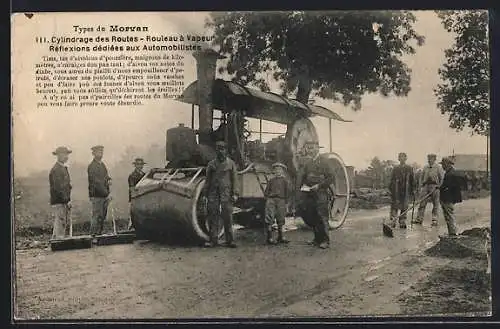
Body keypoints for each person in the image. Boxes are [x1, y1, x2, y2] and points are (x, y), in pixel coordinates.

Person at [296, 141, 336, 249]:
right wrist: (303, 186)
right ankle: (316, 239)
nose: (310, 150)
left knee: (322, 217)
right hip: (309, 193)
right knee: (313, 216)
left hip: (321, 193)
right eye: (308, 148)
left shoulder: (324, 161)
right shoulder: (308, 163)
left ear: (317, 148)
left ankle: (325, 241)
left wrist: (319, 186)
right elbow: (304, 177)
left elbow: (331, 177)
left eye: (312, 148)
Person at [204, 140, 239, 248]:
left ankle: (230, 241)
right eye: (218, 149)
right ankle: (213, 240)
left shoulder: (231, 164)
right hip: (213, 193)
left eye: (222, 149)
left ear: (226, 151)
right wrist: (205, 195)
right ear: (216, 151)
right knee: (212, 217)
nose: (221, 151)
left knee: (228, 217)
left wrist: (235, 193)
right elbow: (208, 180)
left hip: (227, 194)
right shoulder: (211, 164)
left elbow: (235, 180)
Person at [87, 145, 112, 239]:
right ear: (93, 154)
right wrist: (106, 193)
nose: (100, 154)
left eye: (101, 152)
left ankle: (99, 235)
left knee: (102, 216)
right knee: (96, 216)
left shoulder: (102, 165)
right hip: (96, 195)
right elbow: (96, 183)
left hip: (104, 195)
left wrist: (109, 179)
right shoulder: (92, 166)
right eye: (98, 152)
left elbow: (105, 176)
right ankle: (93, 236)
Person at [264, 162, 291, 245]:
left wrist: (286, 203)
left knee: (281, 218)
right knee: (269, 218)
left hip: (281, 200)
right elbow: (266, 192)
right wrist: (269, 199)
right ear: (274, 171)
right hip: (271, 200)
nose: (277, 171)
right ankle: (269, 238)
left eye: (279, 169)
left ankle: (280, 237)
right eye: (276, 169)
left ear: (282, 171)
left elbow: (288, 193)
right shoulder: (271, 180)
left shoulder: (285, 181)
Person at [49, 146, 73, 239]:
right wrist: (67, 200)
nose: (66, 156)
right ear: (58, 155)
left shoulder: (62, 168)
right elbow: (58, 188)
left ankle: (56, 241)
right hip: (60, 200)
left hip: (63, 200)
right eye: (63, 154)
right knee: (60, 222)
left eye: (67, 154)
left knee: (61, 222)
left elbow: (65, 186)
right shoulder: (56, 169)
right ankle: (58, 242)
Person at [414, 153, 443, 226]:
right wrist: (420, 186)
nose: (429, 160)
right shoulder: (425, 167)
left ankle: (434, 220)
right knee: (422, 203)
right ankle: (419, 219)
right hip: (426, 186)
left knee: (435, 204)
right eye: (428, 158)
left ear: (434, 159)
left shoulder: (438, 167)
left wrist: (439, 186)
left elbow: (441, 178)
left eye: (431, 158)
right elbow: (421, 177)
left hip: (435, 187)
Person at [388, 152, 416, 229]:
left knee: (404, 206)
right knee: (394, 205)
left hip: (406, 189)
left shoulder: (409, 168)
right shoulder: (395, 168)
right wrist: (390, 189)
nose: (402, 159)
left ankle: (402, 221)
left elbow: (412, 180)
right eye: (400, 157)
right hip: (396, 189)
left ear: (406, 158)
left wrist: (413, 189)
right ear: (398, 159)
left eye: (403, 157)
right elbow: (392, 179)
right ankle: (393, 220)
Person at [439, 157, 464, 238]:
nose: (442, 166)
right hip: (450, 198)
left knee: (449, 215)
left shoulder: (450, 174)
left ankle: (453, 233)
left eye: (443, 164)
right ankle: (452, 232)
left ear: (447, 164)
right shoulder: (451, 172)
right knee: (449, 215)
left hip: (448, 198)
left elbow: (447, 186)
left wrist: (440, 187)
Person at [127, 158, 146, 230]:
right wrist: (134, 197)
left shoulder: (144, 175)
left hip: (142, 197)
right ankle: (130, 229)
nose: (140, 166)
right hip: (135, 197)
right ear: (135, 165)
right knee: (133, 214)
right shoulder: (132, 176)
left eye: (141, 164)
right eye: (138, 164)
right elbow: (132, 188)